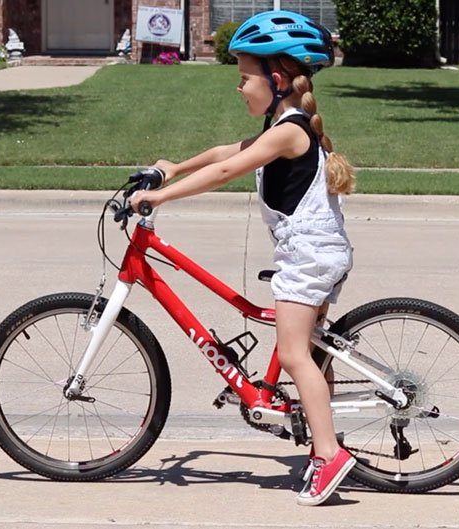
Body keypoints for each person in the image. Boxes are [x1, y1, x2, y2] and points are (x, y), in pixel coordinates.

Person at [130, 10, 356, 506]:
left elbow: (228, 170)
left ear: (276, 80)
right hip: (315, 252)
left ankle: (329, 455)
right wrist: (172, 169)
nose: (239, 88)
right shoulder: (285, 124)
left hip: (309, 258)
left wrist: (161, 199)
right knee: (311, 350)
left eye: (243, 78)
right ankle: (322, 427)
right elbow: (220, 152)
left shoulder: (289, 132)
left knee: (294, 353)